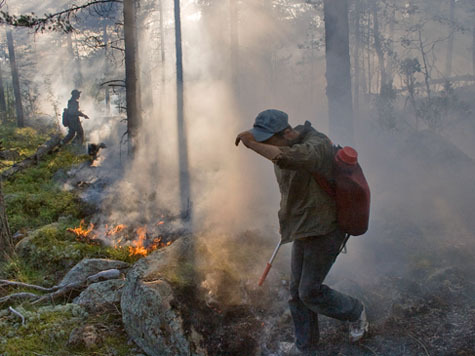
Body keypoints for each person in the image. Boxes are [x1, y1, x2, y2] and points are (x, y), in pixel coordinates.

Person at [235, 109, 368, 355]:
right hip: (302, 226)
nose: (264, 145)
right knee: (296, 293)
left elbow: (289, 158)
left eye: (268, 139)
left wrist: (253, 144)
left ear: (287, 133)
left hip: (326, 228)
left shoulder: (315, 146)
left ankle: (355, 311)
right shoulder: (285, 143)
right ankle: (305, 346)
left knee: (309, 291)